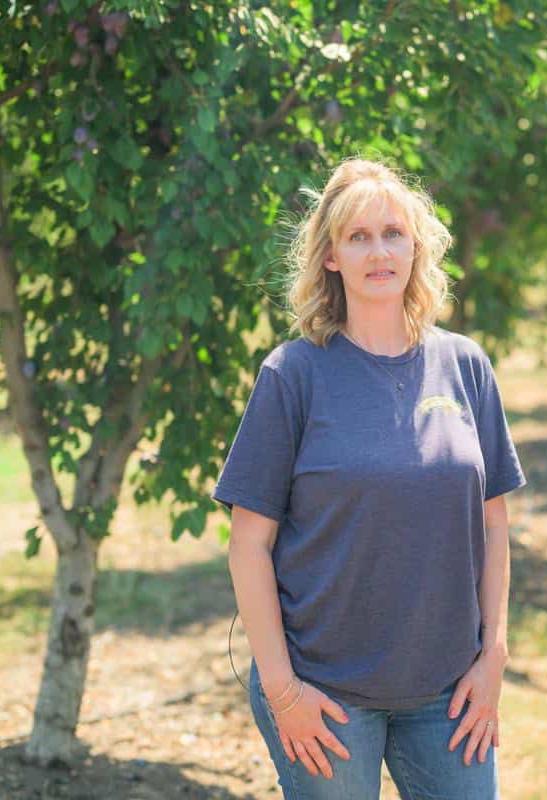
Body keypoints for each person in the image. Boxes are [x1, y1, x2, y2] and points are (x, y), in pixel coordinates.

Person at [212, 156, 526, 799]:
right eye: (358, 237)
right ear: (331, 257)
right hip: (324, 697)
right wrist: (282, 691)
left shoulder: (465, 366)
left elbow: (494, 526)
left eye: (393, 233)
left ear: (417, 248)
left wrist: (493, 656)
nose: (378, 251)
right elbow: (248, 545)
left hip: (449, 692)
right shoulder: (292, 375)